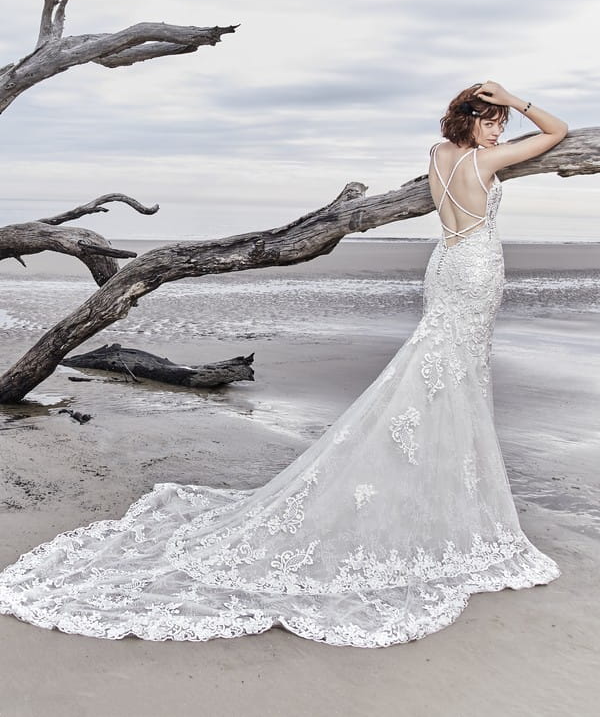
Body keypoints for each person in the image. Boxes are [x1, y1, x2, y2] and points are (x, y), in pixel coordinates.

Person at [0, 80, 568, 647]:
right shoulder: (486, 159)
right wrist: (517, 98)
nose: (500, 129)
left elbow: (460, 162)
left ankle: (440, 479)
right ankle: (445, 491)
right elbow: (558, 132)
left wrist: (487, 108)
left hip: (445, 264)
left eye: (502, 120)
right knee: (454, 373)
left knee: (441, 369)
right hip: (472, 269)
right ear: (470, 121)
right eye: (492, 119)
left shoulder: (439, 156)